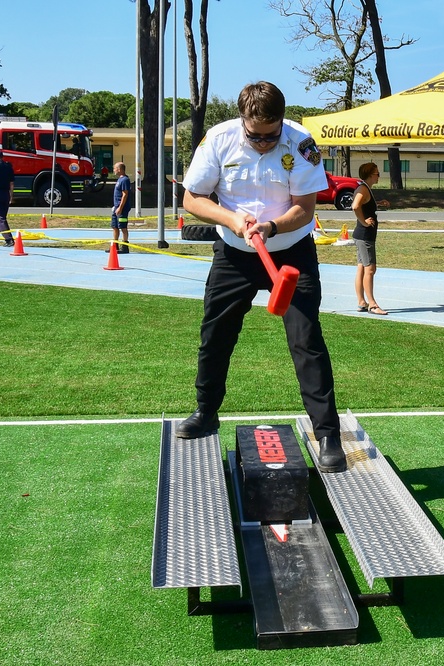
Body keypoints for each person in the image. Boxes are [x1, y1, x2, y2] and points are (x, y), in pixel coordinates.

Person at [177, 81, 346, 473]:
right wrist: (233, 219)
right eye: (257, 136)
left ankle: (327, 434)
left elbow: (304, 209)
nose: (266, 143)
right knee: (215, 334)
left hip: (290, 256)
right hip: (235, 255)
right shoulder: (218, 140)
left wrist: (270, 227)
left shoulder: (301, 143)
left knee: (307, 340)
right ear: (243, 120)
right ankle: (206, 411)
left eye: (272, 136)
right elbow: (192, 198)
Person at [351, 161, 388, 315]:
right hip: (364, 236)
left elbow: (365, 205)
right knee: (370, 269)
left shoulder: (366, 188)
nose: (379, 176)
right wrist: (363, 221)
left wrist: (378, 203)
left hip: (363, 236)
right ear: (370, 175)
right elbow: (355, 206)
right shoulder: (363, 189)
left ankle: (361, 302)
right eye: (377, 173)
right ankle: (372, 305)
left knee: (362, 268)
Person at [111, 162, 131, 254]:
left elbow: (125, 194)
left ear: (119, 169)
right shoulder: (119, 179)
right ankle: (115, 246)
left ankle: (125, 246)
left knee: (123, 227)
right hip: (116, 207)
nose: (114, 170)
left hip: (122, 208)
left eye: (115, 168)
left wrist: (120, 207)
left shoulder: (125, 180)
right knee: (115, 226)